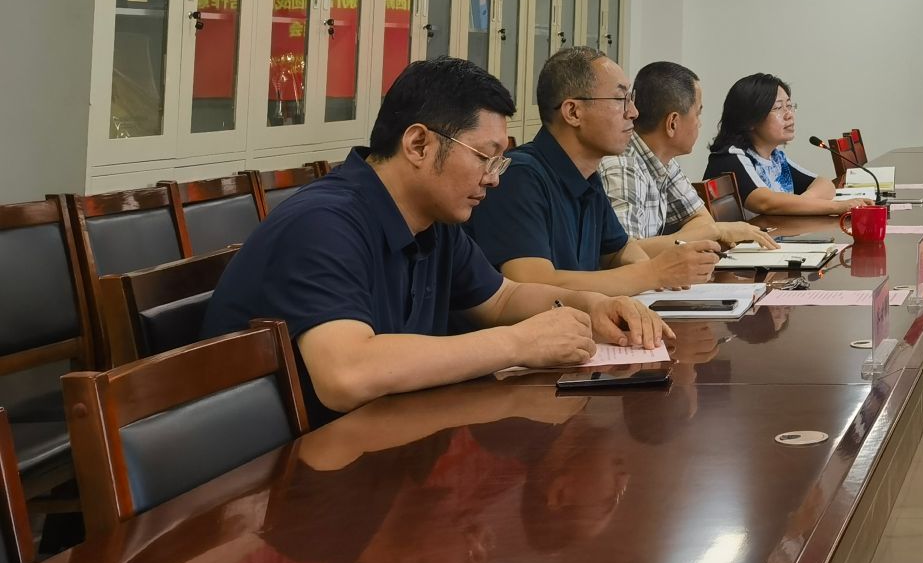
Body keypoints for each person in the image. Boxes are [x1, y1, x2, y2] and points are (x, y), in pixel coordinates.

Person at [203, 57, 672, 425]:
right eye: (485, 157)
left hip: (374, 441)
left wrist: (591, 306)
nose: (493, 179)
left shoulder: (434, 220)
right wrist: (516, 343)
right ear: (418, 145)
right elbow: (346, 374)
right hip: (269, 484)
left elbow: (501, 298)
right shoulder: (323, 223)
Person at [465, 46, 723, 293]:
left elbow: (619, 250)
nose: (633, 112)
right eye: (620, 99)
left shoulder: (588, 176)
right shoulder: (519, 176)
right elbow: (534, 285)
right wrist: (653, 273)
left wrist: (664, 275)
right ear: (573, 112)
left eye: (631, 99)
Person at [598, 60, 775, 252]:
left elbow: (700, 218)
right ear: (673, 123)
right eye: (697, 114)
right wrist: (714, 231)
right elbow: (624, 254)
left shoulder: (665, 161)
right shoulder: (623, 168)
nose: (699, 123)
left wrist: (699, 235)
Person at [702, 73, 847, 216]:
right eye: (778, 108)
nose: (789, 114)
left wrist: (802, 203)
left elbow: (825, 185)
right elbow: (766, 203)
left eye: (789, 106)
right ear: (750, 119)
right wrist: (838, 207)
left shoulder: (775, 158)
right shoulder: (730, 158)